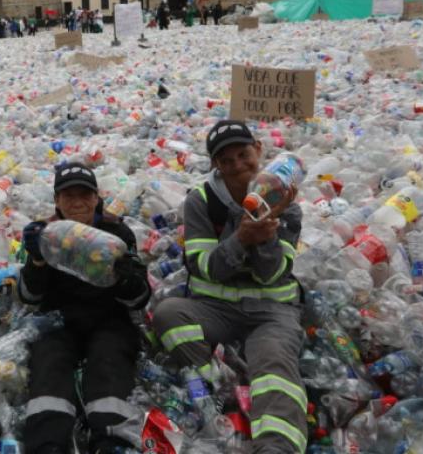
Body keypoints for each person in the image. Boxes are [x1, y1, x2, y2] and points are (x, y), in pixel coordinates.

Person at [151, 120, 306, 454]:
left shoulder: (285, 201)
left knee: (275, 364)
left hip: (270, 311)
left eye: (243, 154)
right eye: (226, 160)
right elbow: (205, 268)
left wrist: (265, 238)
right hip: (215, 309)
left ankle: (276, 447)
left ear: (258, 150)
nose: (237, 165)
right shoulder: (202, 200)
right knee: (167, 314)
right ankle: (221, 385)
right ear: (216, 165)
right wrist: (241, 238)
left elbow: (273, 275)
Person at [18, 162, 150, 454]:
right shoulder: (46, 235)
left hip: (108, 318)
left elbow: (140, 299)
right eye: (69, 196)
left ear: (96, 198)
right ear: (57, 201)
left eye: (84, 195)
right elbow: (29, 296)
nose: (77, 203)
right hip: (60, 320)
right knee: (49, 362)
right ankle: (47, 444)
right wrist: (36, 259)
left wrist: (126, 278)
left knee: (109, 360)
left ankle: (112, 441)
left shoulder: (117, 233)